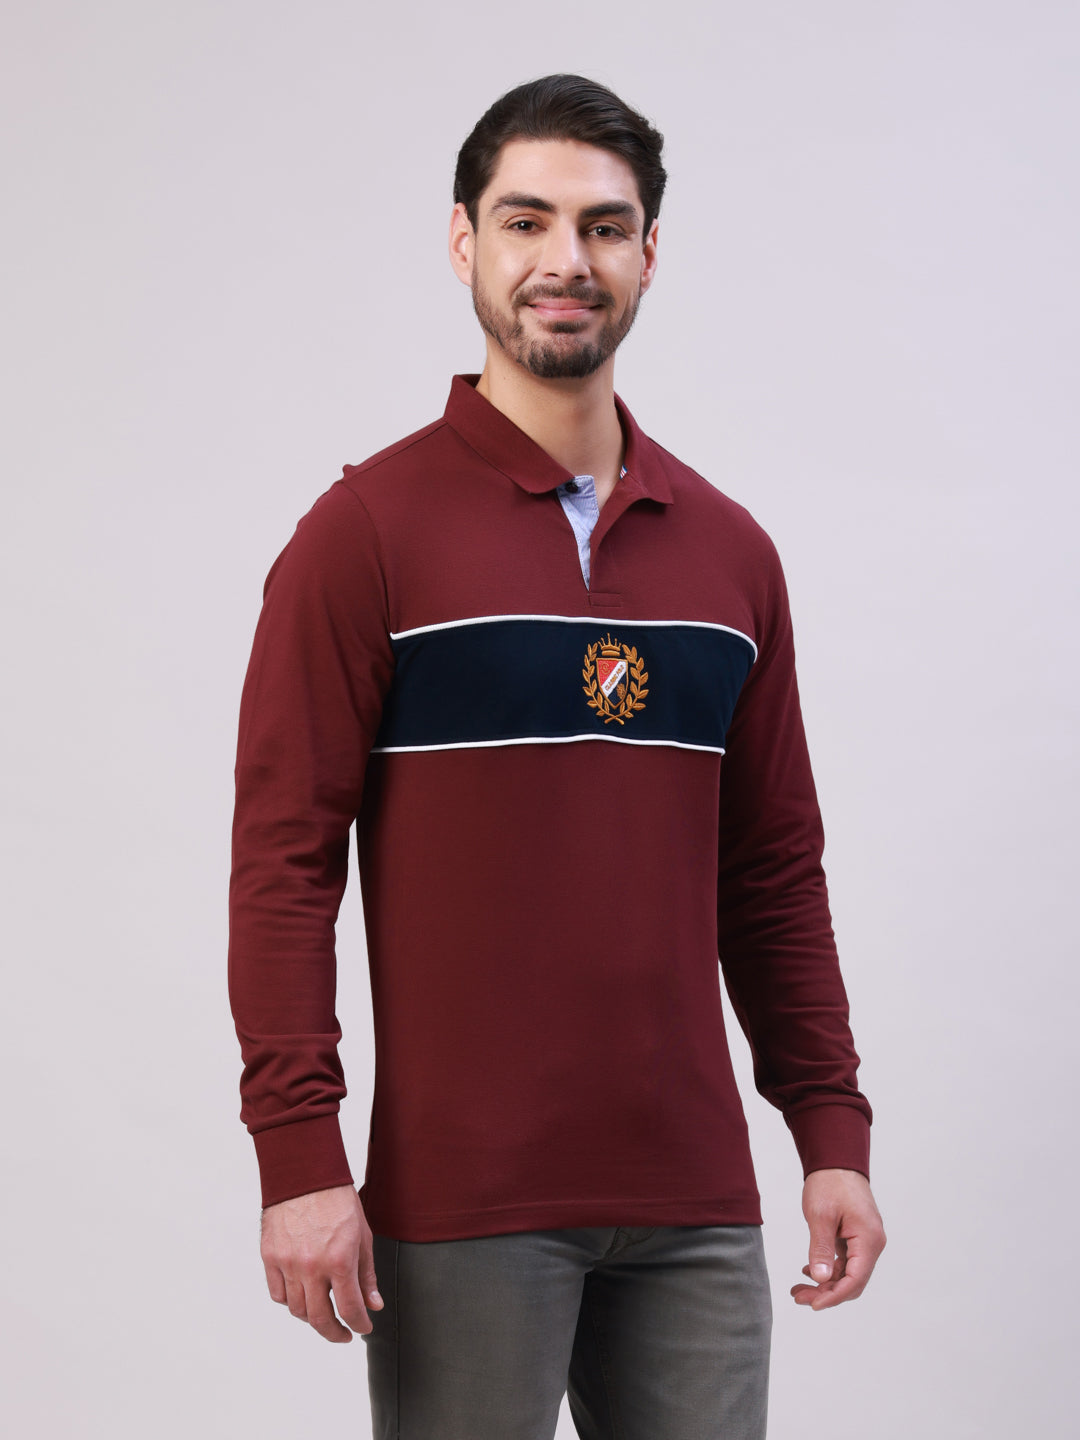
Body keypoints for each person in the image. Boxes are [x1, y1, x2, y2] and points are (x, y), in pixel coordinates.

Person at [228, 73, 885, 1440]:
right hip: (465, 1204)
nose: (565, 260)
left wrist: (830, 1133)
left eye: (603, 226)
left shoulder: (731, 553)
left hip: (695, 1202)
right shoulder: (366, 534)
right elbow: (284, 865)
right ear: (463, 241)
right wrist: (299, 1157)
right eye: (526, 221)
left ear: (648, 254)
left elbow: (773, 871)